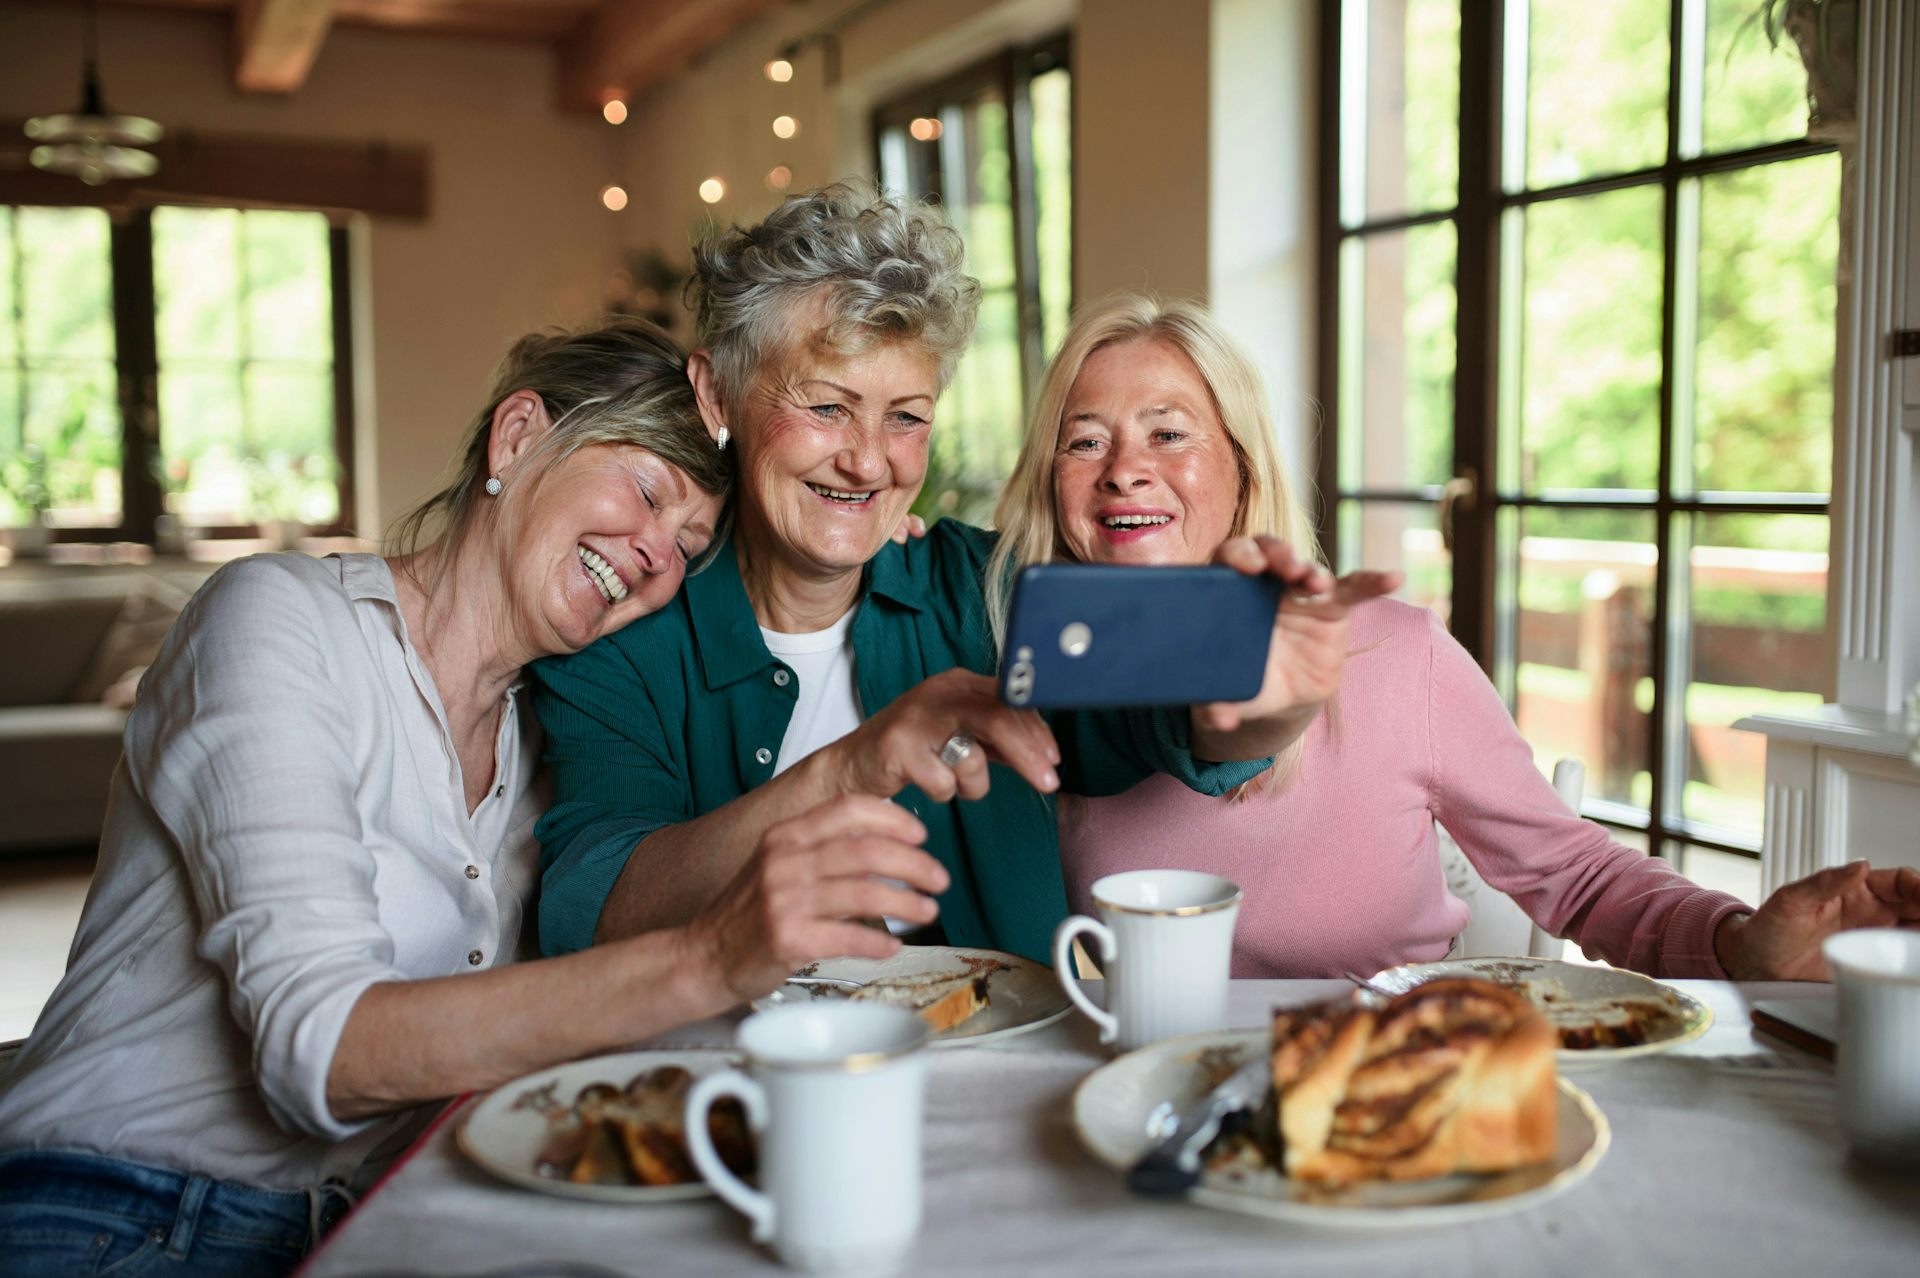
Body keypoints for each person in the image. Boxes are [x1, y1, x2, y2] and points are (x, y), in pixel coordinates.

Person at [0, 317, 950, 1278]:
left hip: (381, 1219)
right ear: (520, 436)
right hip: (114, 1206)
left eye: (689, 543)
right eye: (647, 491)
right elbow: (319, 1051)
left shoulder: (556, 738)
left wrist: (855, 542)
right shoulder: (277, 622)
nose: (655, 554)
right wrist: (708, 956)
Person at [531, 184, 1376, 963]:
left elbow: (1156, 722)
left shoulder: (986, 589)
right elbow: (594, 902)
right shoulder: (629, 627)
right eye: (827, 407)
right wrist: (848, 769)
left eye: (906, 417)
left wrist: (1265, 702)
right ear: (717, 395)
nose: (867, 462)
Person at [992, 292, 1920, 979]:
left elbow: (1579, 878)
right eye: (1085, 441)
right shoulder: (1011, 668)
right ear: (1052, 480)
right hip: (1139, 1101)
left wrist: (1739, 942)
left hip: (1391, 1084)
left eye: (1168, 434)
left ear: (1240, 467)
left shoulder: (1394, 655)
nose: (1124, 473)